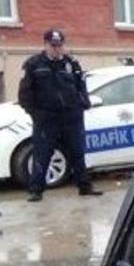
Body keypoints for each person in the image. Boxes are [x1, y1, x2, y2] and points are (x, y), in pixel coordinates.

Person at [18, 29, 101, 202]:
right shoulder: (34, 65)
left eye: (59, 45)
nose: (56, 49)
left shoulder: (72, 64)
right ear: (46, 45)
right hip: (47, 119)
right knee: (42, 154)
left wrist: (82, 104)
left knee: (77, 152)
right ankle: (36, 190)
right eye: (53, 45)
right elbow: (25, 94)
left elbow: (81, 87)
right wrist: (36, 114)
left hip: (71, 117)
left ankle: (84, 187)